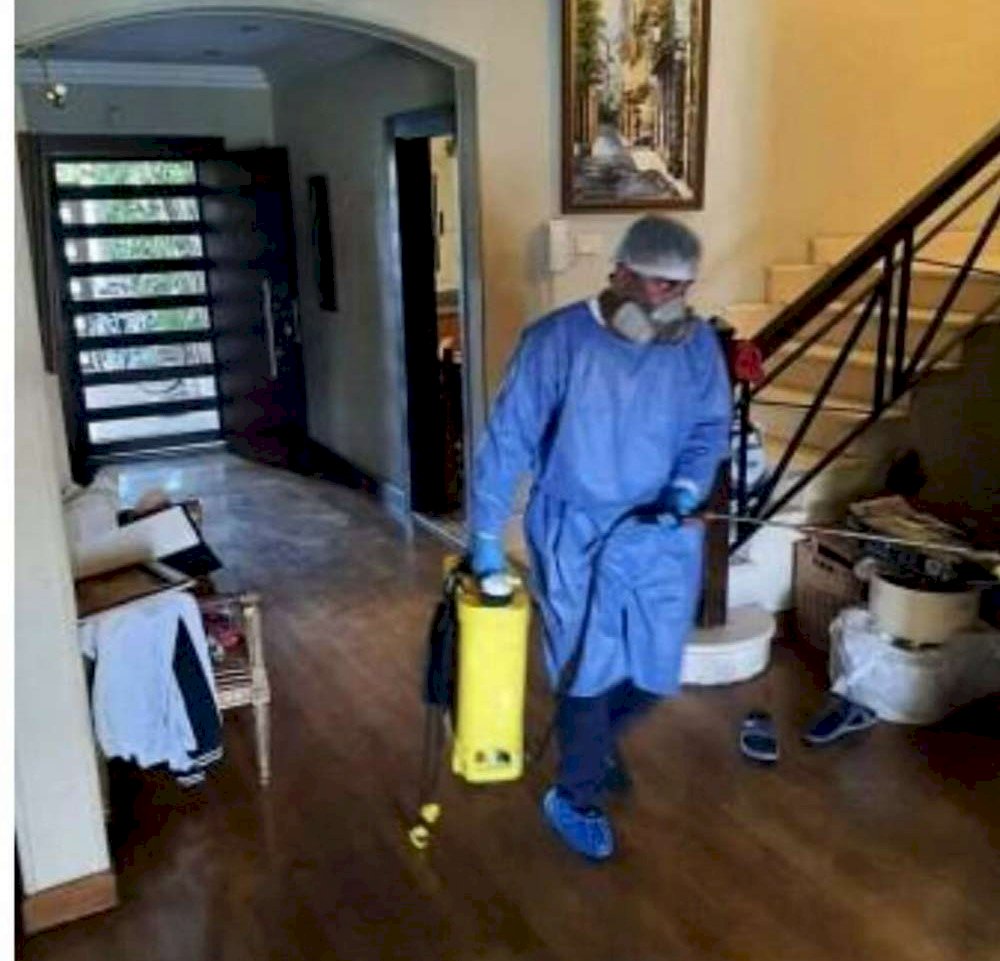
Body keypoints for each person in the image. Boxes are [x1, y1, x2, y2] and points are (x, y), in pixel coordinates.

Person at [469, 215, 732, 861]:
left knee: (654, 668)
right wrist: (485, 534)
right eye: (657, 284)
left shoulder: (696, 344)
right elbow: (507, 439)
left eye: (680, 287)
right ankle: (574, 793)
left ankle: (592, 744)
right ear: (619, 272)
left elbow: (709, 427)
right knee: (588, 667)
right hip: (576, 528)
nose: (668, 300)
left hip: (657, 530)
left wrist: (683, 491)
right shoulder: (557, 340)